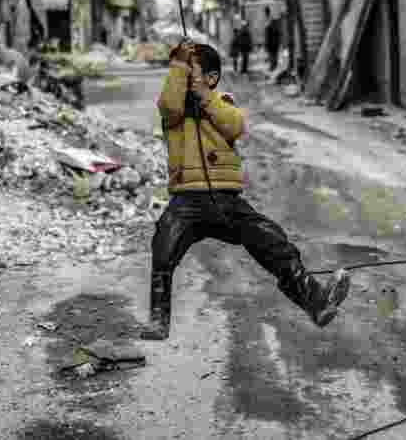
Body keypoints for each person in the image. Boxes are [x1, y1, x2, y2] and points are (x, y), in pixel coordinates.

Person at [140, 41, 351, 340]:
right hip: (186, 198)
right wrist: (178, 64)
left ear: (211, 78)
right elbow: (170, 105)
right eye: (180, 72)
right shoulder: (172, 111)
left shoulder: (222, 101)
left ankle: (316, 300)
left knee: (270, 237)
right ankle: (158, 321)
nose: (183, 77)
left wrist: (206, 98)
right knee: (163, 246)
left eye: (192, 71)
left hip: (225, 199)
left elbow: (234, 127)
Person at [263, 7, 281, 72]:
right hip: (272, 41)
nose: (265, 13)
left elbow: (268, 32)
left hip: (272, 41)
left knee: (273, 54)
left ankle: (273, 66)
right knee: (272, 54)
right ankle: (273, 66)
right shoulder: (269, 20)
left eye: (266, 12)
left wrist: (267, 41)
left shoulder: (270, 20)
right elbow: (267, 32)